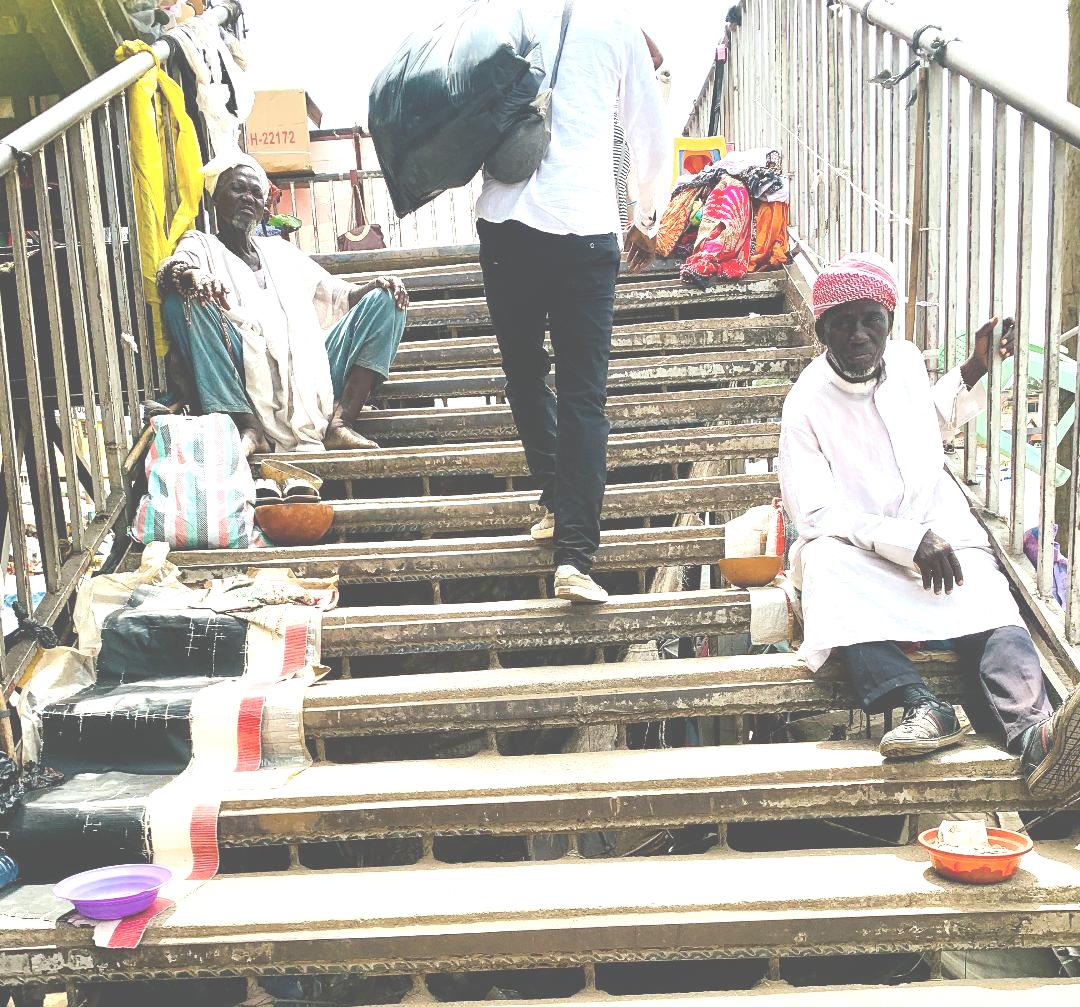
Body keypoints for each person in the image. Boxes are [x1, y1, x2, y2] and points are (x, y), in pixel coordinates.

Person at [779, 253, 1080, 800]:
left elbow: (929, 419)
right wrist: (904, 542)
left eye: (871, 319)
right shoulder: (804, 404)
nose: (859, 334)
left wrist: (975, 367)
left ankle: (1036, 735)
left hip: (937, 531)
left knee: (992, 601)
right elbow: (817, 516)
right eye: (842, 323)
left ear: (889, 321)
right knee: (822, 566)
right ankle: (922, 706)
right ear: (820, 328)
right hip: (864, 552)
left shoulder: (908, 361)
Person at [475, 1, 667, 604]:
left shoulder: (501, 21)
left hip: (504, 220)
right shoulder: (619, 28)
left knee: (525, 374)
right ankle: (575, 556)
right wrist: (649, 216)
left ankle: (559, 499)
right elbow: (649, 130)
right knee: (584, 394)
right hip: (585, 227)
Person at [157, 154, 408, 457]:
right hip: (239, 367)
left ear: (265, 206)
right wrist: (195, 276)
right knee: (181, 300)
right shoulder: (202, 244)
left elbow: (339, 295)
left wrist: (377, 285)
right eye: (238, 189)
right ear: (216, 199)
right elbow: (175, 266)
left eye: (256, 192)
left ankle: (341, 424)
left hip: (309, 371)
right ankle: (248, 426)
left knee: (387, 298)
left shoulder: (280, 250)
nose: (248, 197)